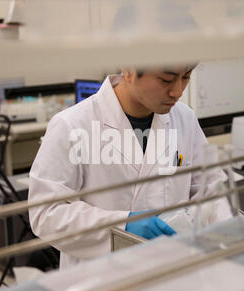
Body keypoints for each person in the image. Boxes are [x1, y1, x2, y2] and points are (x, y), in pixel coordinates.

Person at [28, 66, 232, 269]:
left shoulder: (184, 118)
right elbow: (46, 213)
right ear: (128, 70)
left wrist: (229, 240)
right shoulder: (71, 124)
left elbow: (211, 189)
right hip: (102, 280)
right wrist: (122, 225)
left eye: (186, 77)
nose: (178, 92)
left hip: (171, 271)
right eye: (166, 80)